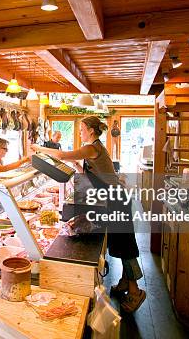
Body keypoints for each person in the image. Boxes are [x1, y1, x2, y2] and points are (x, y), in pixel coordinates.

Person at [31, 116, 146, 313]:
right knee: (118, 243)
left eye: (82, 128)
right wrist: (77, 166)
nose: (80, 132)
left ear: (91, 130)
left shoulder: (92, 147)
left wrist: (38, 149)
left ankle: (136, 291)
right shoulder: (93, 148)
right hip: (112, 198)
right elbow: (92, 172)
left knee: (124, 244)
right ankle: (125, 283)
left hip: (115, 200)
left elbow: (61, 154)